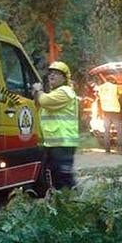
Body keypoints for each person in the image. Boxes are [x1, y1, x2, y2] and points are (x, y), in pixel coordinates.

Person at [31, 61, 79, 190]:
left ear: (64, 78)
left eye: (57, 74)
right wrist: (38, 93)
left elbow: (44, 101)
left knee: (63, 177)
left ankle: (74, 202)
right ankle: (64, 202)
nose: (52, 76)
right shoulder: (54, 93)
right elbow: (39, 104)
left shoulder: (65, 92)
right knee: (54, 177)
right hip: (54, 143)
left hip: (63, 143)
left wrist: (39, 90)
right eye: (51, 73)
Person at [97, 75, 122, 154]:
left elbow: (99, 97)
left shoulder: (100, 88)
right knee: (119, 131)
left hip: (105, 112)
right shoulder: (115, 87)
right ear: (113, 81)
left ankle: (107, 150)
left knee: (106, 131)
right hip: (115, 112)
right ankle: (120, 149)